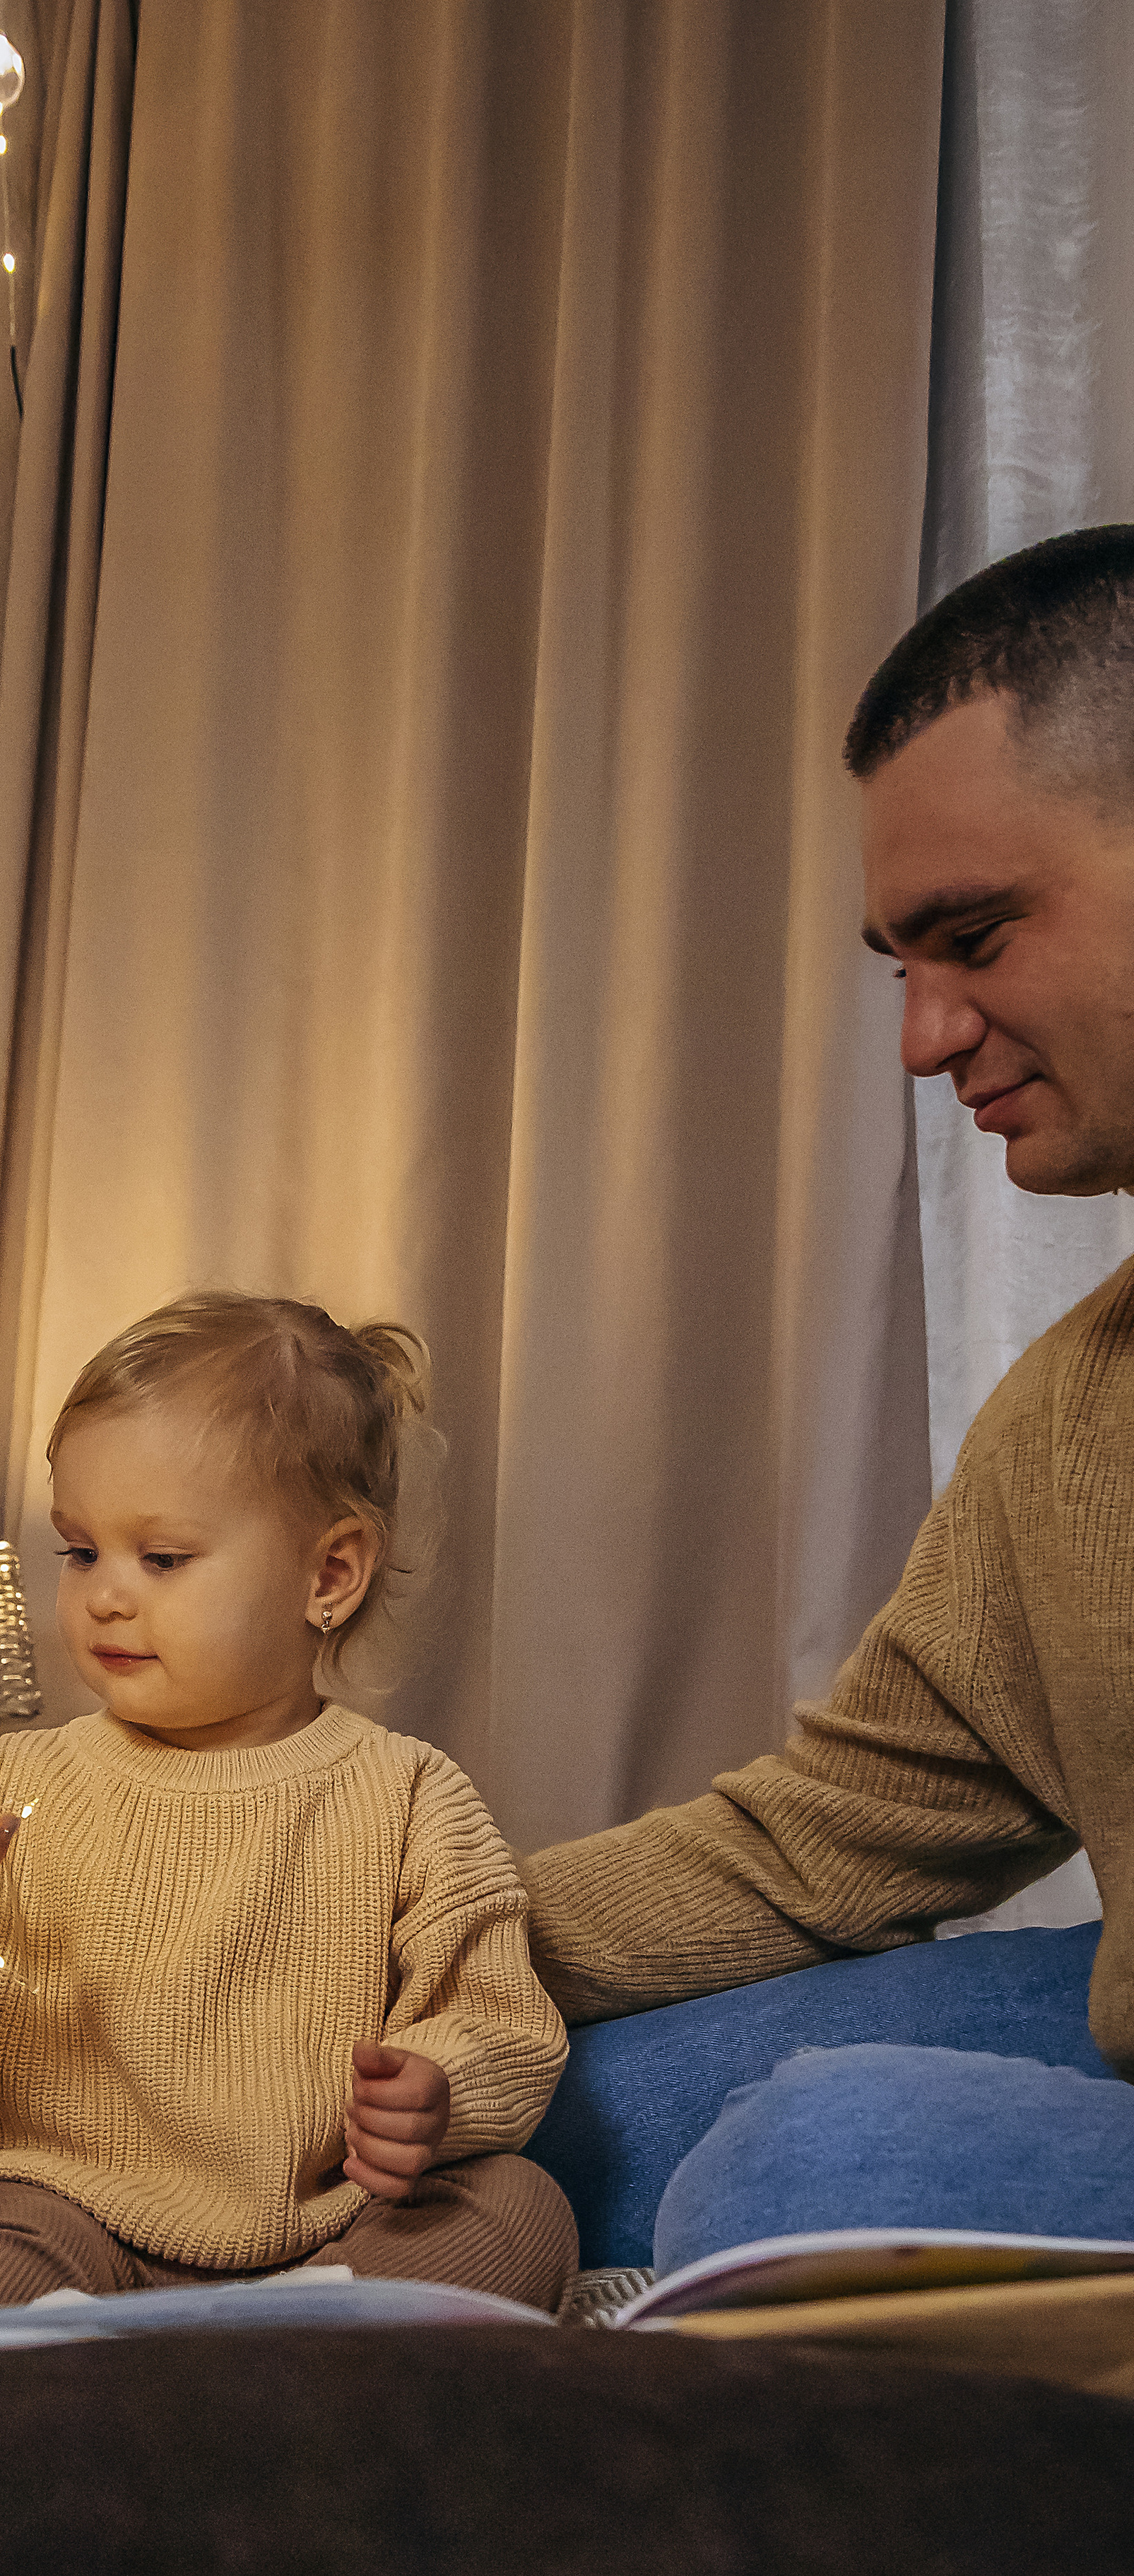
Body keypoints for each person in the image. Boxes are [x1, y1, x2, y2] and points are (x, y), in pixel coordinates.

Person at [520, 524, 1134, 2091]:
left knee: (829, 2149)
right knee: (543, 2091)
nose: (923, 1039)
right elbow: (818, 1844)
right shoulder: (1068, 1419)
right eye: (898, 969)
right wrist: (356, 1931)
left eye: (977, 937)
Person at [0, 1292, 577, 2309]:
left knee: (521, 2208)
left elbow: (501, 2021)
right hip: (54, 2204)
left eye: (162, 1558)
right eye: (80, 1550)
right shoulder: (6, 1787)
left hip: (326, 2229)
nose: (106, 1595)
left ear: (332, 1573)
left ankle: (277, 2366)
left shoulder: (410, 1796)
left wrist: (438, 2092)